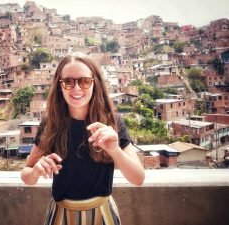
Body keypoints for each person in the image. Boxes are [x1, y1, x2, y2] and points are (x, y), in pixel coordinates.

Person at [21, 53, 145, 225]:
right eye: (68, 82)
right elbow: (26, 176)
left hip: (103, 216)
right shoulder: (51, 123)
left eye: (84, 81)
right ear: (59, 86)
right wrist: (36, 170)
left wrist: (115, 150)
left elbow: (138, 178)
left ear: (95, 83)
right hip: (60, 217)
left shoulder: (112, 122)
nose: (76, 88)